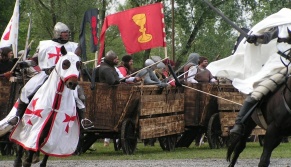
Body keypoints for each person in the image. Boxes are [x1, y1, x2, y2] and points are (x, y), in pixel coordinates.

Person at [207, 8, 291, 135]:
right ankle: (239, 124)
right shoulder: (283, 24)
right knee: (257, 93)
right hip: (278, 65)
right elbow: (267, 37)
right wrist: (256, 38)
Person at [6, 22, 92, 129]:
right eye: (64, 33)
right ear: (57, 33)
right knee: (26, 90)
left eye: (67, 33)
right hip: (45, 74)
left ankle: (83, 119)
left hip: (65, 77)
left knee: (79, 95)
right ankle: (18, 116)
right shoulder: (45, 45)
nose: (67, 35)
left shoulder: (73, 46)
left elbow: (77, 63)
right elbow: (35, 61)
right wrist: (24, 64)